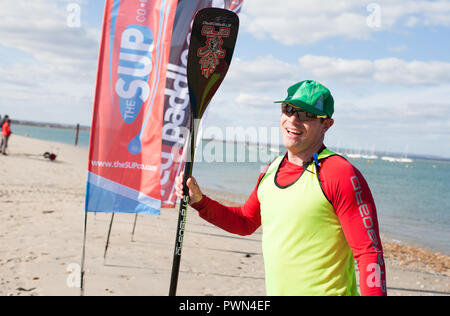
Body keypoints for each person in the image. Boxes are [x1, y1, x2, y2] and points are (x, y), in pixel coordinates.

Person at [175, 80, 387, 296]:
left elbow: (368, 252)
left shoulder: (339, 173)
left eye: (307, 114)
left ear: (326, 124)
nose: (294, 119)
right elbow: (245, 222)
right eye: (289, 109)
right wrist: (200, 202)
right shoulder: (271, 169)